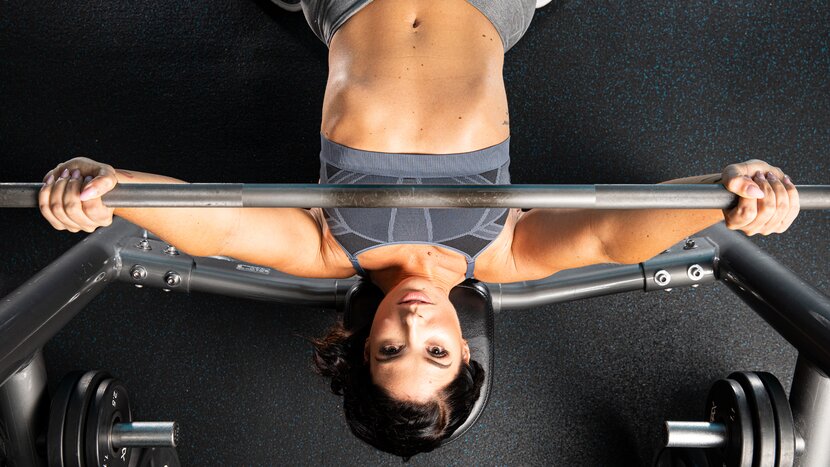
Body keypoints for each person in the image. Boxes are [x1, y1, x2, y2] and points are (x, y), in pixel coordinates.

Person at [36, 0, 800, 458]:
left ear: (361, 342)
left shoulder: (329, 247)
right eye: (435, 351)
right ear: (466, 346)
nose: (411, 324)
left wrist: (111, 188)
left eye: (389, 349)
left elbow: (213, 225)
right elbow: (612, 237)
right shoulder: (497, 253)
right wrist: (726, 197)